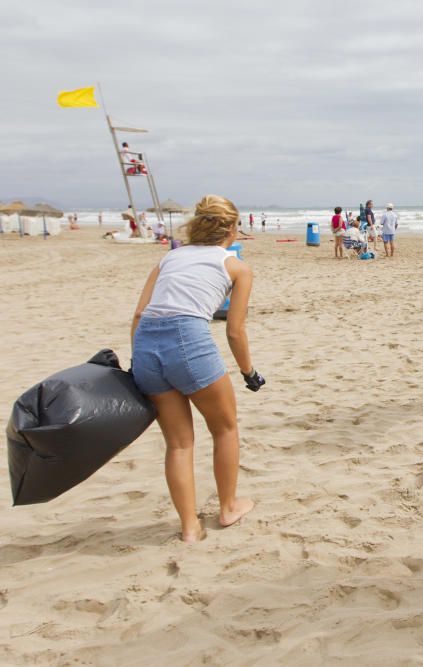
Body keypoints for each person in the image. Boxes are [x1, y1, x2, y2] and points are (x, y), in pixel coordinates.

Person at [130, 195, 263, 543]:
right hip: (187, 341)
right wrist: (249, 372)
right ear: (231, 229)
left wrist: (138, 360)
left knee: (178, 444)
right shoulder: (235, 267)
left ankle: (189, 527)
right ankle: (229, 507)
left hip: (146, 346)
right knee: (224, 428)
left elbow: (140, 315)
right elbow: (234, 330)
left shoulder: (169, 257)